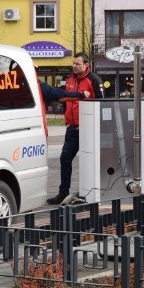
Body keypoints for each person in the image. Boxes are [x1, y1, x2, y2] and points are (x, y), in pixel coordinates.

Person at [46, 52, 103, 205]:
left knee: (90, 160)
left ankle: (94, 192)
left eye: (77, 64)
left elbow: (101, 103)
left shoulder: (94, 80)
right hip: (72, 128)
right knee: (65, 159)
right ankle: (63, 194)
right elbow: (64, 98)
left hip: (88, 128)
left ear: (86, 65)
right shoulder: (70, 79)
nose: (74, 66)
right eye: (73, 63)